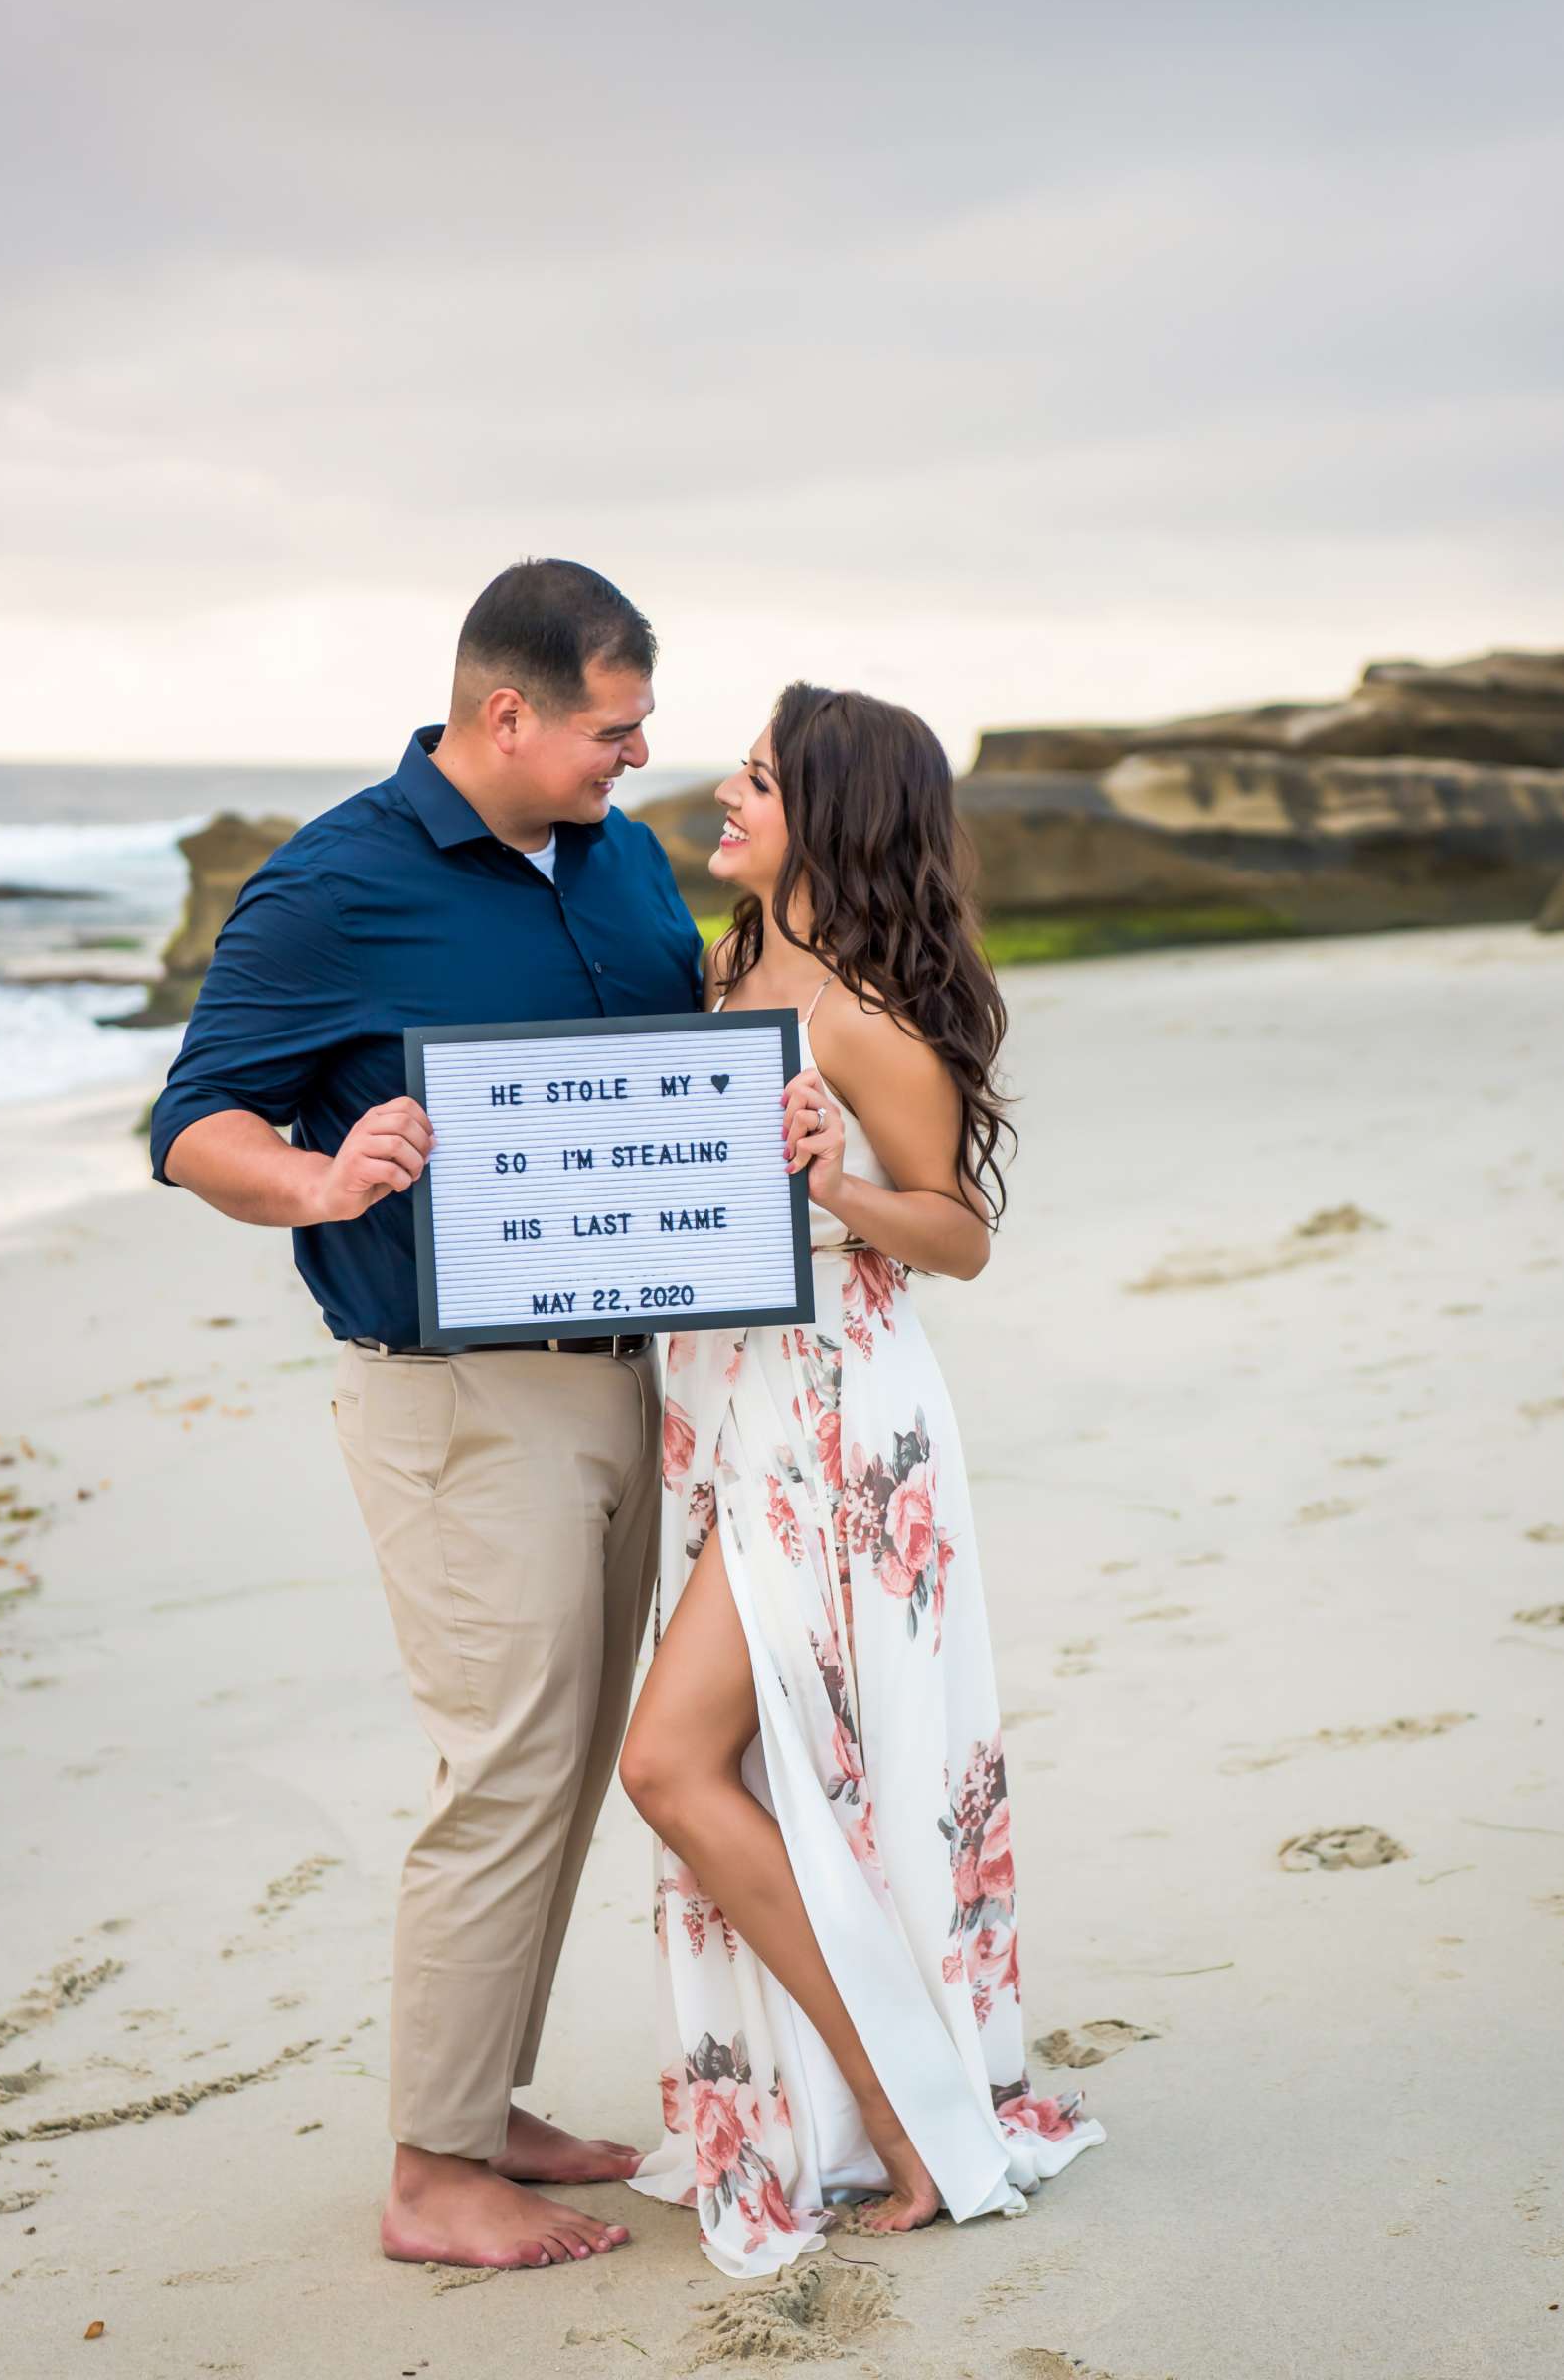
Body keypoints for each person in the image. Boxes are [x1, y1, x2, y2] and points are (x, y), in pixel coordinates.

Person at [150, 560, 703, 2272]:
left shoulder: (620, 859)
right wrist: (320, 1176)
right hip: (459, 1404)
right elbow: (190, 1124)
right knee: (507, 1769)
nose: (634, 757)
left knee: (567, 1766)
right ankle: (431, 2173)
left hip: (634, 1383)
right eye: (613, 730)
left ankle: (489, 2103)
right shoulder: (332, 887)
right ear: (505, 711)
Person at [619, 683, 1105, 2277]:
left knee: (671, 1764)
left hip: (835, 1425)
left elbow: (956, 1233)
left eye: (754, 779)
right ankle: (847, 2098)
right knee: (773, 1774)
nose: (721, 796)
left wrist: (832, 1185)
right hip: (728, 1406)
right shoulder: (725, 965)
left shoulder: (867, 1014)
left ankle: (904, 2113)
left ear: (827, 813)